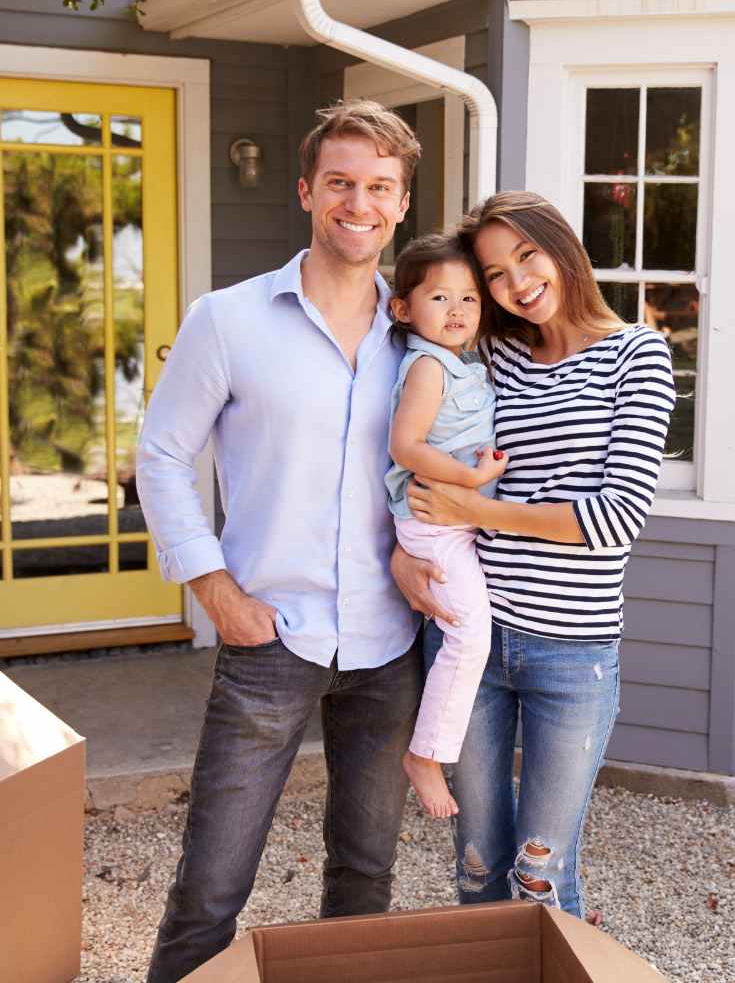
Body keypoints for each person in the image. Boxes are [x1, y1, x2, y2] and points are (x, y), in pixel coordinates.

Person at [137, 99, 428, 983]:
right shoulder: (228, 320)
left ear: (403, 204)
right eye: (341, 182)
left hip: (390, 642)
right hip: (270, 638)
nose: (359, 202)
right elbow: (160, 453)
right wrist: (211, 585)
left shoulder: (421, 334)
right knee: (212, 887)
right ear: (307, 191)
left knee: (366, 875)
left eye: (380, 186)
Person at [396, 191, 676, 919]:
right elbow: (407, 432)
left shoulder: (637, 355)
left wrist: (477, 509)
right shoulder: (492, 355)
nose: (516, 283)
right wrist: (402, 558)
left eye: (526, 256)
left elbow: (616, 518)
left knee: (539, 873)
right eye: (494, 274)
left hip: (573, 654)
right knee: (476, 863)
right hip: (471, 638)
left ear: (562, 246)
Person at [384, 232, 505, 819]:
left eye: (469, 299)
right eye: (439, 299)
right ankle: (426, 755)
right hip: (435, 522)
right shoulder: (429, 367)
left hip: (452, 521)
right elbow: (405, 445)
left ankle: (432, 749)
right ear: (403, 309)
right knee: (468, 634)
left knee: (464, 630)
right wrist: (470, 480)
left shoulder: (464, 363)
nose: (457, 311)